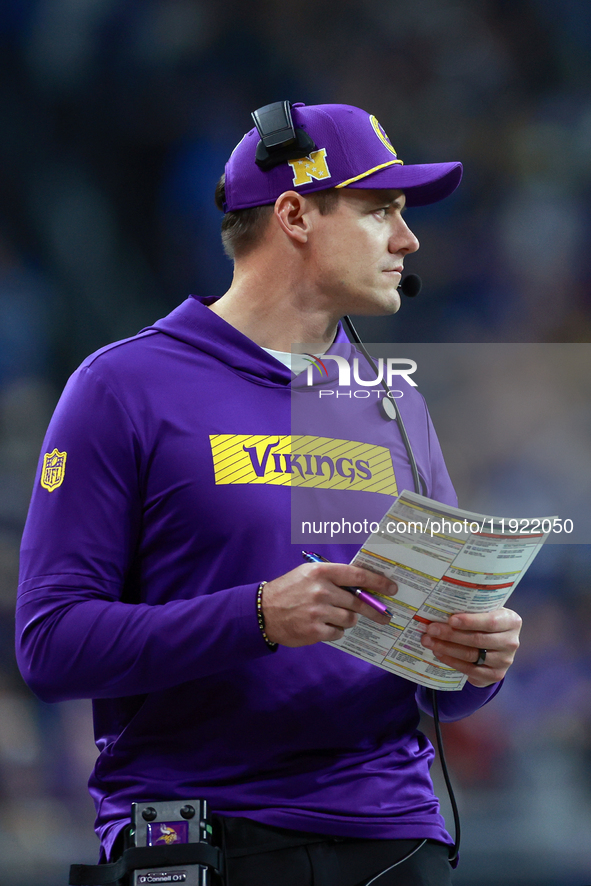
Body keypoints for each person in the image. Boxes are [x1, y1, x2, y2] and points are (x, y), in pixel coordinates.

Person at [16, 102, 521, 886]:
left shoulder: (394, 401)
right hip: (204, 836)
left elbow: (437, 683)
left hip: (394, 841)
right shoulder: (122, 388)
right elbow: (49, 648)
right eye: (380, 210)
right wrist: (255, 616)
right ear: (293, 213)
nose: (407, 239)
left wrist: (475, 660)